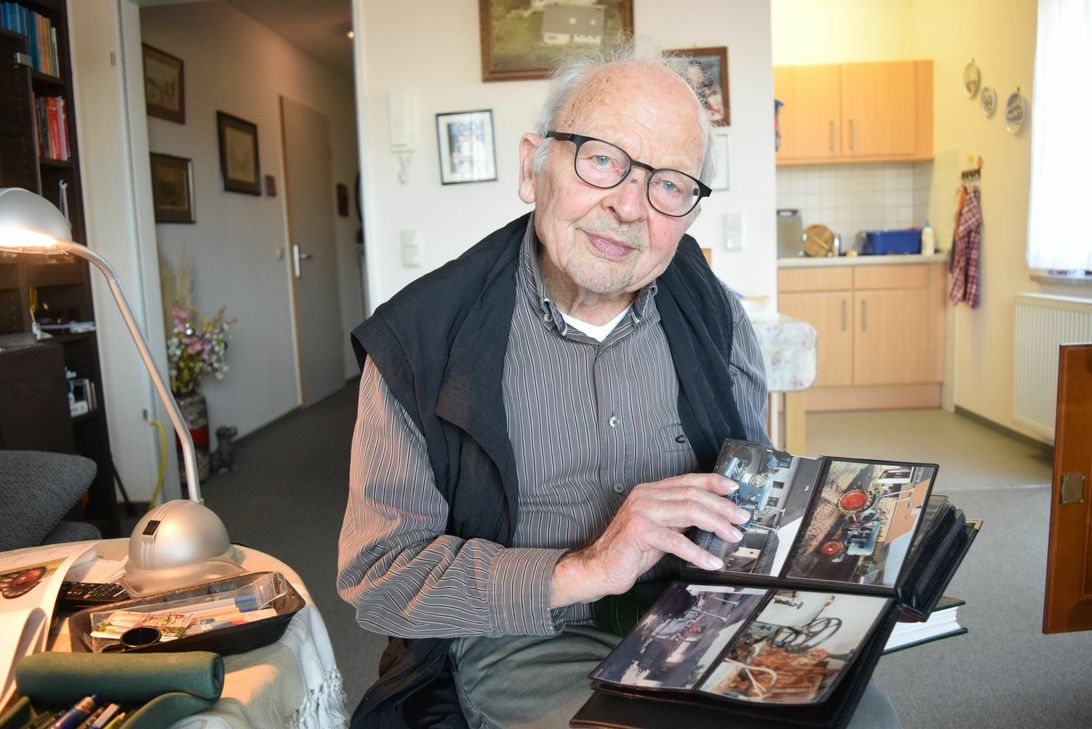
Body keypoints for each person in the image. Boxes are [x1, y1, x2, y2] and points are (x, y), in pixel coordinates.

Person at [338, 44, 899, 729]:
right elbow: (381, 576)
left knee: (862, 713)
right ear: (531, 166)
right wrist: (588, 567)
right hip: (525, 639)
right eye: (602, 158)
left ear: (688, 211)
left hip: (697, 617)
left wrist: (839, 564)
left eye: (669, 183)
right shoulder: (420, 341)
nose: (631, 206)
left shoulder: (715, 318)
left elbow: (756, 501)